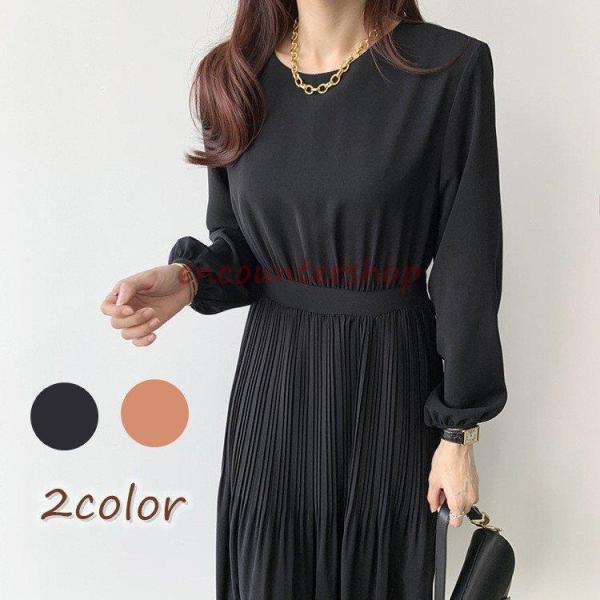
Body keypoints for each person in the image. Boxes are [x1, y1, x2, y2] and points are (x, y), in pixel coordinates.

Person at [100, 1, 507, 597]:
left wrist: (458, 430)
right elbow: (243, 246)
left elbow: (468, 265)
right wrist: (188, 278)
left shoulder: (448, 67)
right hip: (274, 391)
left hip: (388, 387)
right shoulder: (233, 74)